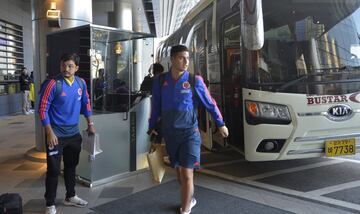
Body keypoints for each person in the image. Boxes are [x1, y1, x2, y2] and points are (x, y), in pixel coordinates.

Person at [148, 45, 229, 214]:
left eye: (187, 58)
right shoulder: (159, 81)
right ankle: (190, 198)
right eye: (181, 58)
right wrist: (152, 128)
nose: (186, 62)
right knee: (179, 172)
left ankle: (185, 210)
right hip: (170, 135)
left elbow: (210, 103)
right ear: (172, 59)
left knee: (186, 173)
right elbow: (155, 107)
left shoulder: (194, 80)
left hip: (190, 134)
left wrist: (220, 123)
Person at [38, 53, 96, 214]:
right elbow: (42, 109)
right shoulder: (52, 84)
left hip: (73, 134)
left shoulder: (81, 83)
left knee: (71, 166)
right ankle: (50, 203)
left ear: (76, 68)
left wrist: (90, 123)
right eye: (63, 65)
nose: (66, 69)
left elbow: (86, 104)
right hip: (55, 135)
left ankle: (70, 196)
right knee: (54, 170)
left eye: (70, 66)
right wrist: (49, 132)